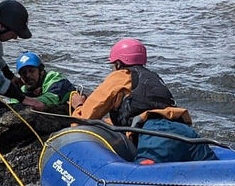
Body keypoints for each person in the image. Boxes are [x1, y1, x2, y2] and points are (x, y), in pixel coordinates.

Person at [71, 38, 217, 163]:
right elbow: (139, 115)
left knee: (144, 184)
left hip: (157, 137)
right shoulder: (152, 78)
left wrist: (79, 105)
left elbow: (83, 119)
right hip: (186, 133)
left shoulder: (120, 76)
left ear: (118, 64)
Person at [15, 51, 81, 113]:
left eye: (31, 71)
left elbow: (52, 98)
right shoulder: (23, 89)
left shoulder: (55, 79)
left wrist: (28, 101)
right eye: (23, 73)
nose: (28, 75)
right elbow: (13, 101)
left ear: (41, 71)